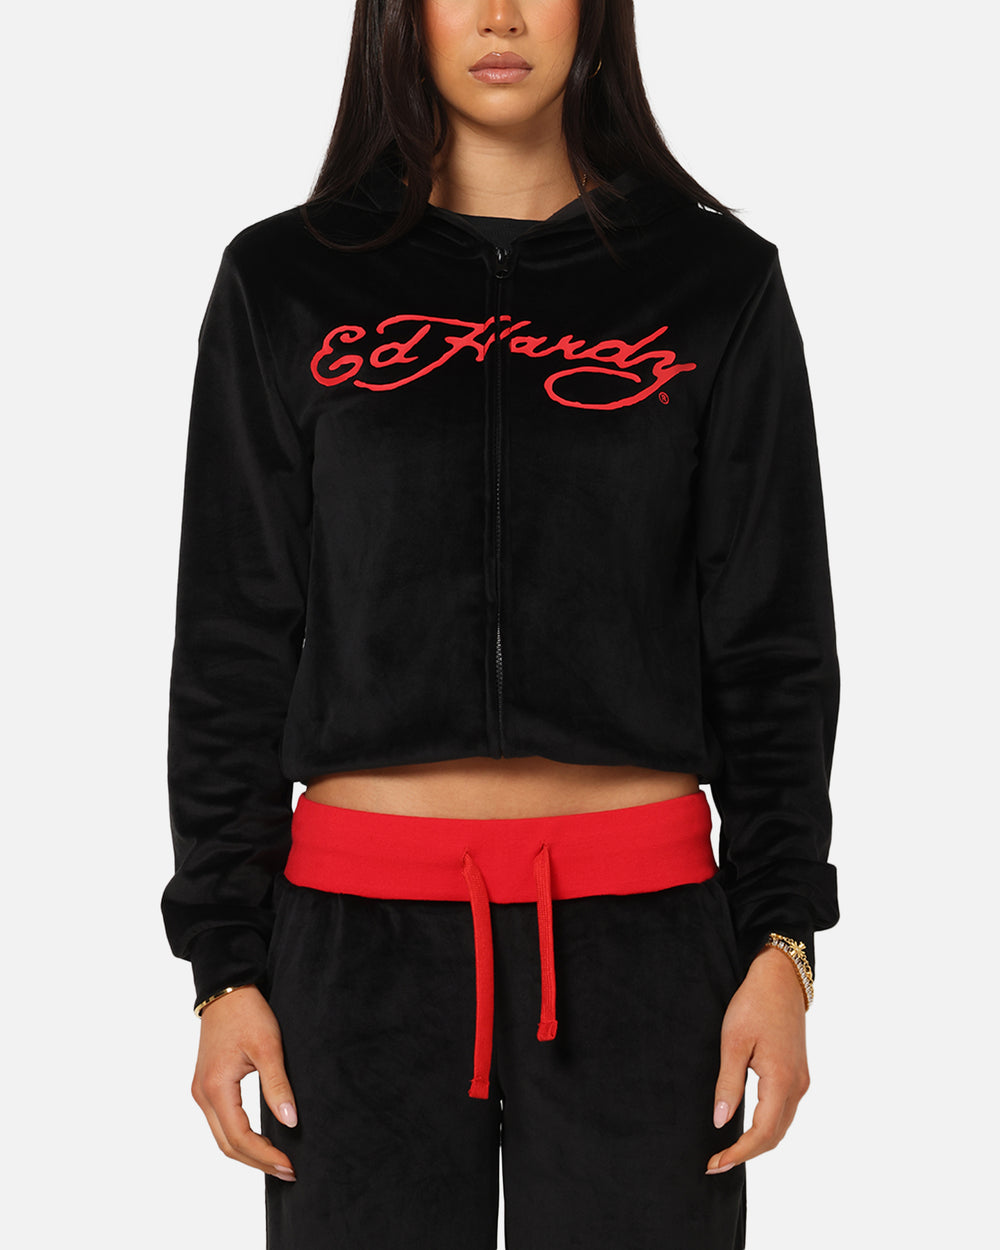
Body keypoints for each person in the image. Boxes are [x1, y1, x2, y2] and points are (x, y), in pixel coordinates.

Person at [161, 2, 840, 1247]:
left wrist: (782, 941)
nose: (500, 16)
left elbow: (772, 639)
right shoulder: (286, 280)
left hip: (642, 943)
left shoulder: (714, 282)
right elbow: (232, 637)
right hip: (358, 948)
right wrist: (225, 966)